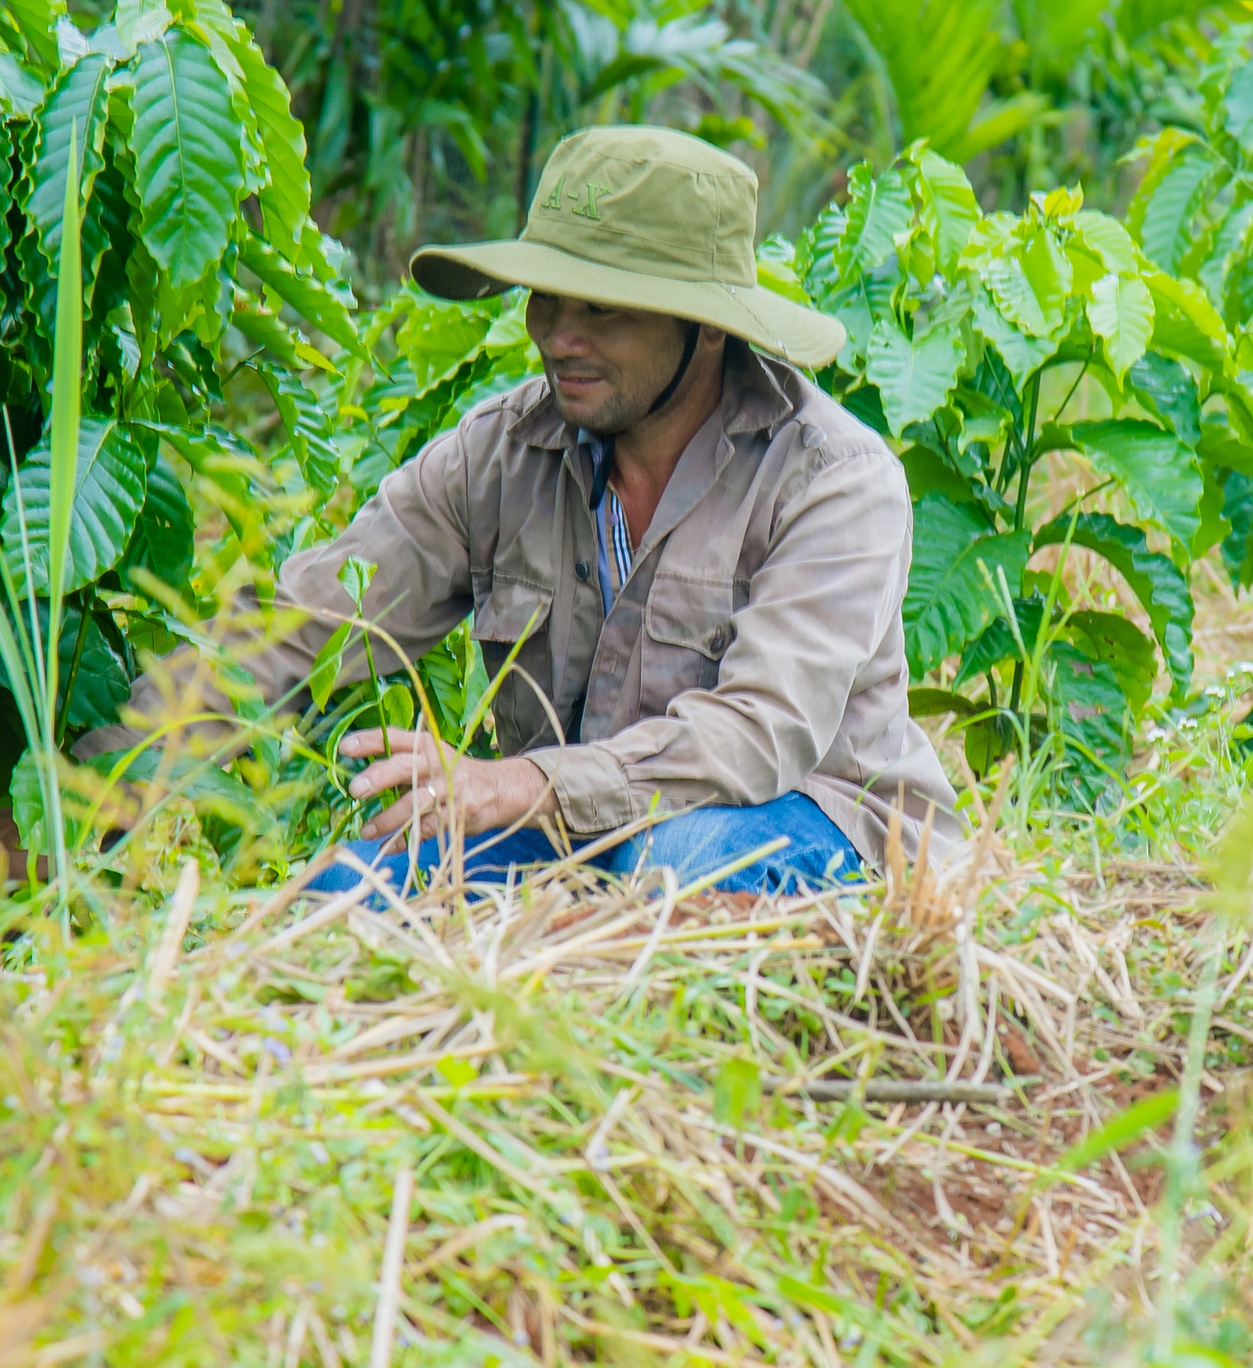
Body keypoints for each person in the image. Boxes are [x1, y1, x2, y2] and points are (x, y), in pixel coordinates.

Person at [81, 125, 959, 896]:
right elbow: (299, 628)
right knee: (351, 893)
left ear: (707, 326)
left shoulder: (832, 480)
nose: (557, 336)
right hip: (576, 839)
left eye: (603, 309)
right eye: (548, 299)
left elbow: (758, 735)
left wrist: (513, 784)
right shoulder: (501, 455)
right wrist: (83, 799)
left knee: (682, 864)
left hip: (812, 826)